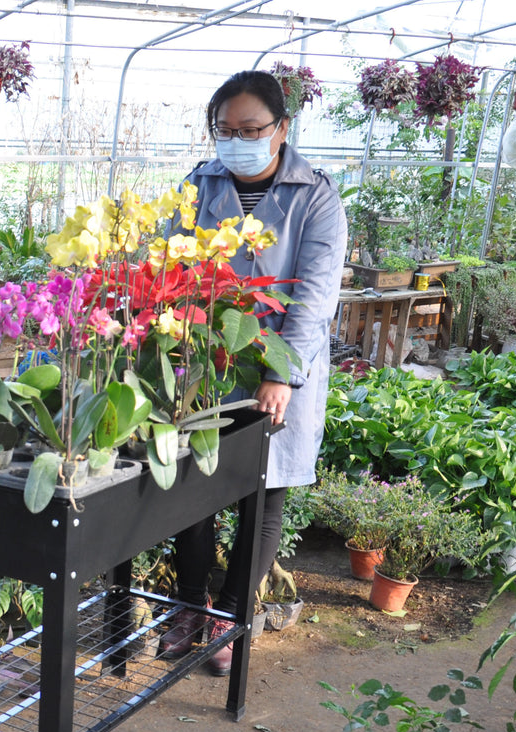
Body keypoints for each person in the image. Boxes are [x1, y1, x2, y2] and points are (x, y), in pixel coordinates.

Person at [158, 69, 347, 674]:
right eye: (225, 129)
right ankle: (189, 604)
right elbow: (171, 267)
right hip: (206, 367)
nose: (236, 139)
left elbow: (314, 298)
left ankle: (233, 617)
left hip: (277, 369)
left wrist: (280, 376)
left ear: (281, 128)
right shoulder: (201, 183)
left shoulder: (314, 195)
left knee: (262, 495)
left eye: (250, 129)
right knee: (193, 489)